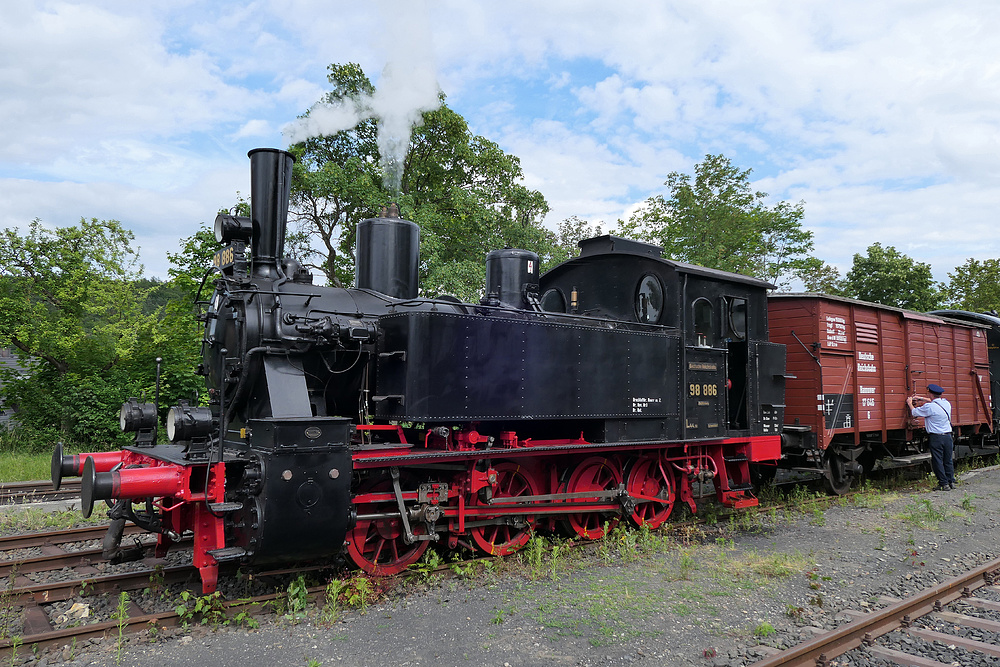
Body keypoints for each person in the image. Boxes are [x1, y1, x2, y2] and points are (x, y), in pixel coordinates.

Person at [906, 383, 955, 491]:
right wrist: (922, 398)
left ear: (931, 394)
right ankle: (951, 482)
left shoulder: (929, 407)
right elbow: (933, 402)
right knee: (948, 460)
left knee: (937, 461)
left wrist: (910, 403)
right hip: (948, 436)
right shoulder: (946, 403)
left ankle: (943, 484)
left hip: (936, 438)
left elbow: (914, 412)